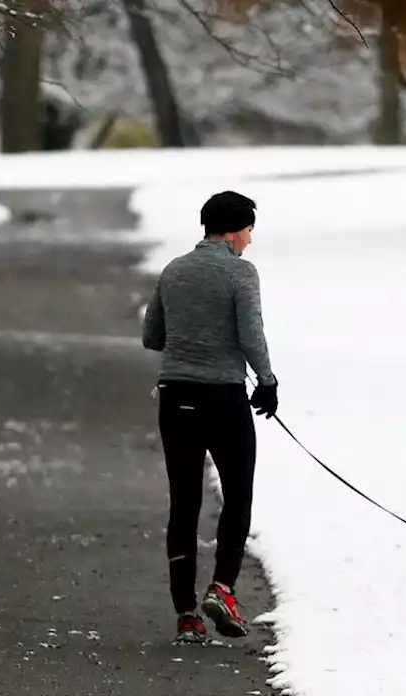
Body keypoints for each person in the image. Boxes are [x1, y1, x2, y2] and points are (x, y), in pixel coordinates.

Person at [141, 190, 279, 645]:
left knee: (184, 503)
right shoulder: (240, 273)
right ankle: (222, 589)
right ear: (236, 229)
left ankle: (186, 614)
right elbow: (251, 333)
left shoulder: (174, 271)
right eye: (249, 230)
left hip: (175, 396)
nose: (250, 241)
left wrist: (191, 340)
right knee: (238, 496)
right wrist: (267, 379)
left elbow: (152, 335)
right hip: (223, 398)